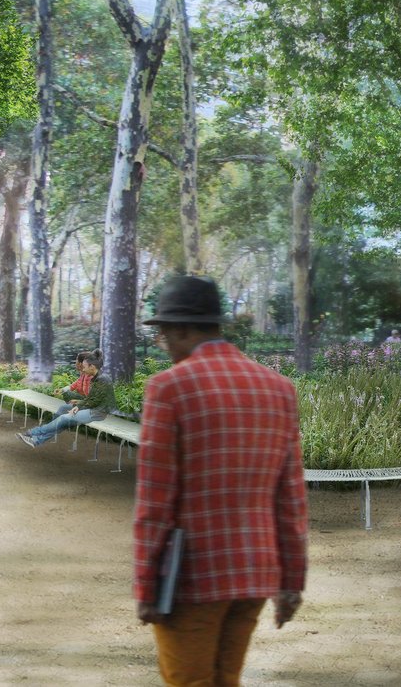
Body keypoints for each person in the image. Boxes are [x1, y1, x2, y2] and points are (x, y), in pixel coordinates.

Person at [134, 276, 308, 687]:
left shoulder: (169, 387)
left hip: (191, 576)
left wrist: (145, 585)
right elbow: (291, 499)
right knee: (225, 680)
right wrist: (291, 583)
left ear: (180, 330)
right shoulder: (279, 389)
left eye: (162, 335)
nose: (164, 344)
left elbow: (155, 503)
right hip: (255, 571)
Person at [18, 351, 110, 447]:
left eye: (76, 362)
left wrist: (79, 402)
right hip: (86, 405)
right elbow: (76, 385)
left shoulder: (94, 378)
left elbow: (95, 400)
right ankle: (46, 429)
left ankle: (35, 437)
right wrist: (63, 390)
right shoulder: (85, 374)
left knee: (62, 421)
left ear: (84, 364)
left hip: (92, 409)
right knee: (61, 412)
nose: (75, 364)